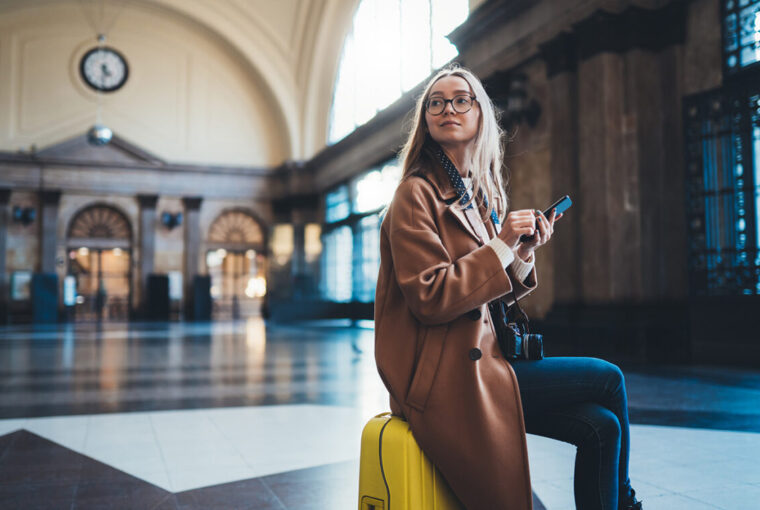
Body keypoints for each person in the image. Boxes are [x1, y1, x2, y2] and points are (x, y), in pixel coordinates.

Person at [374, 65, 642, 510]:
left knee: (602, 427)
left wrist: (522, 254)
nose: (447, 109)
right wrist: (500, 244)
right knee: (608, 378)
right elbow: (432, 298)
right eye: (435, 103)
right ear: (425, 121)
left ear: (480, 114)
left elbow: (480, 295)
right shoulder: (414, 195)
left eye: (461, 99)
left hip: (485, 359)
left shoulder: (475, 194)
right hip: (446, 375)